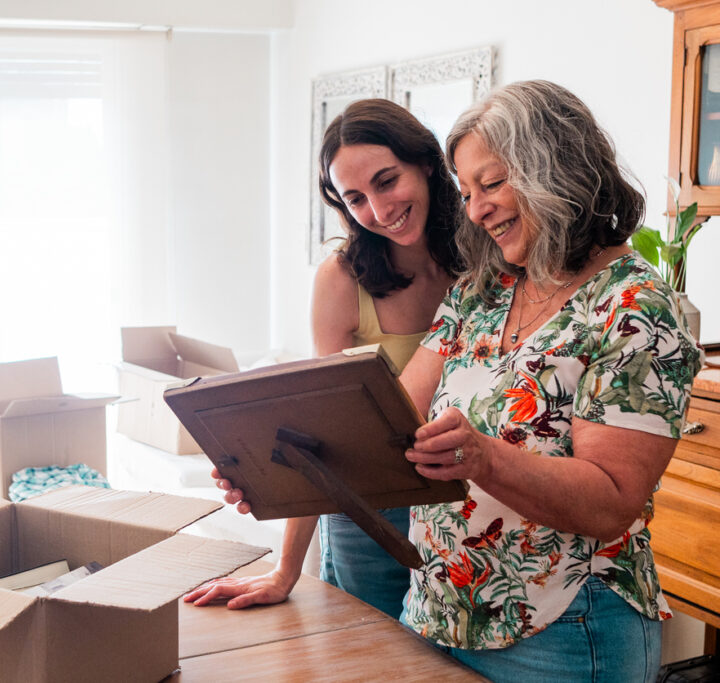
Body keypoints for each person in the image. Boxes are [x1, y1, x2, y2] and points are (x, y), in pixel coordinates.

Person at [199, 80, 703, 683]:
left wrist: (483, 457)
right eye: (467, 191)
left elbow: (611, 502)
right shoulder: (482, 291)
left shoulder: (638, 307)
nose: (476, 209)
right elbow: (386, 422)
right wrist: (273, 470)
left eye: (491, 185)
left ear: (559, 168)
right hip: (440, 614)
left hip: (562, 629)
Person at [183, 98, 461, 617]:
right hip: (365, 505)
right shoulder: (342, 278)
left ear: (425, 162)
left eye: (386, 181)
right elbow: (319, 432)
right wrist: (286, 571)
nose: (378, 211)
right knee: (372, 653)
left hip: (471, 502)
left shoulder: (484, 260)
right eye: (355, 198)